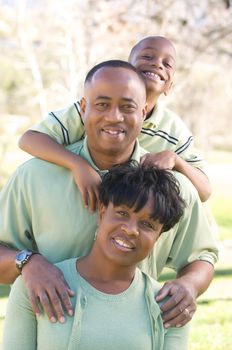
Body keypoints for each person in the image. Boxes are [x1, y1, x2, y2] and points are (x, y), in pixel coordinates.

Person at [0, 60, 218, 330]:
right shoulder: (33, 177)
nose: (114, 117)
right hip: (49, 337)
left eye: (127, 107)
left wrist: (189, 285)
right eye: (102, 104)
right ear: (83, 108)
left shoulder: (174, 188)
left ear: (144, 111)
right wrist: (28, 263)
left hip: (134, 337)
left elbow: (202, 256)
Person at [3, 162, 189, 350]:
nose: (131, 229)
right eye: (122, 213)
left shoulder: (170, 306)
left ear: (158, 237)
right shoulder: (36, 285)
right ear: (101, 214)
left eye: (148, 224)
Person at [18, 36, 211, 212]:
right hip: (75, 201)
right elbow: (29, 140)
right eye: (147, 56)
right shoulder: (91, 111)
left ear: (170, 86)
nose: (157, 64)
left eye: (167, 64)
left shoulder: (173, 130)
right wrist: (78, 165)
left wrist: (176, 160)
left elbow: (204, 191)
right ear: (127, 70)